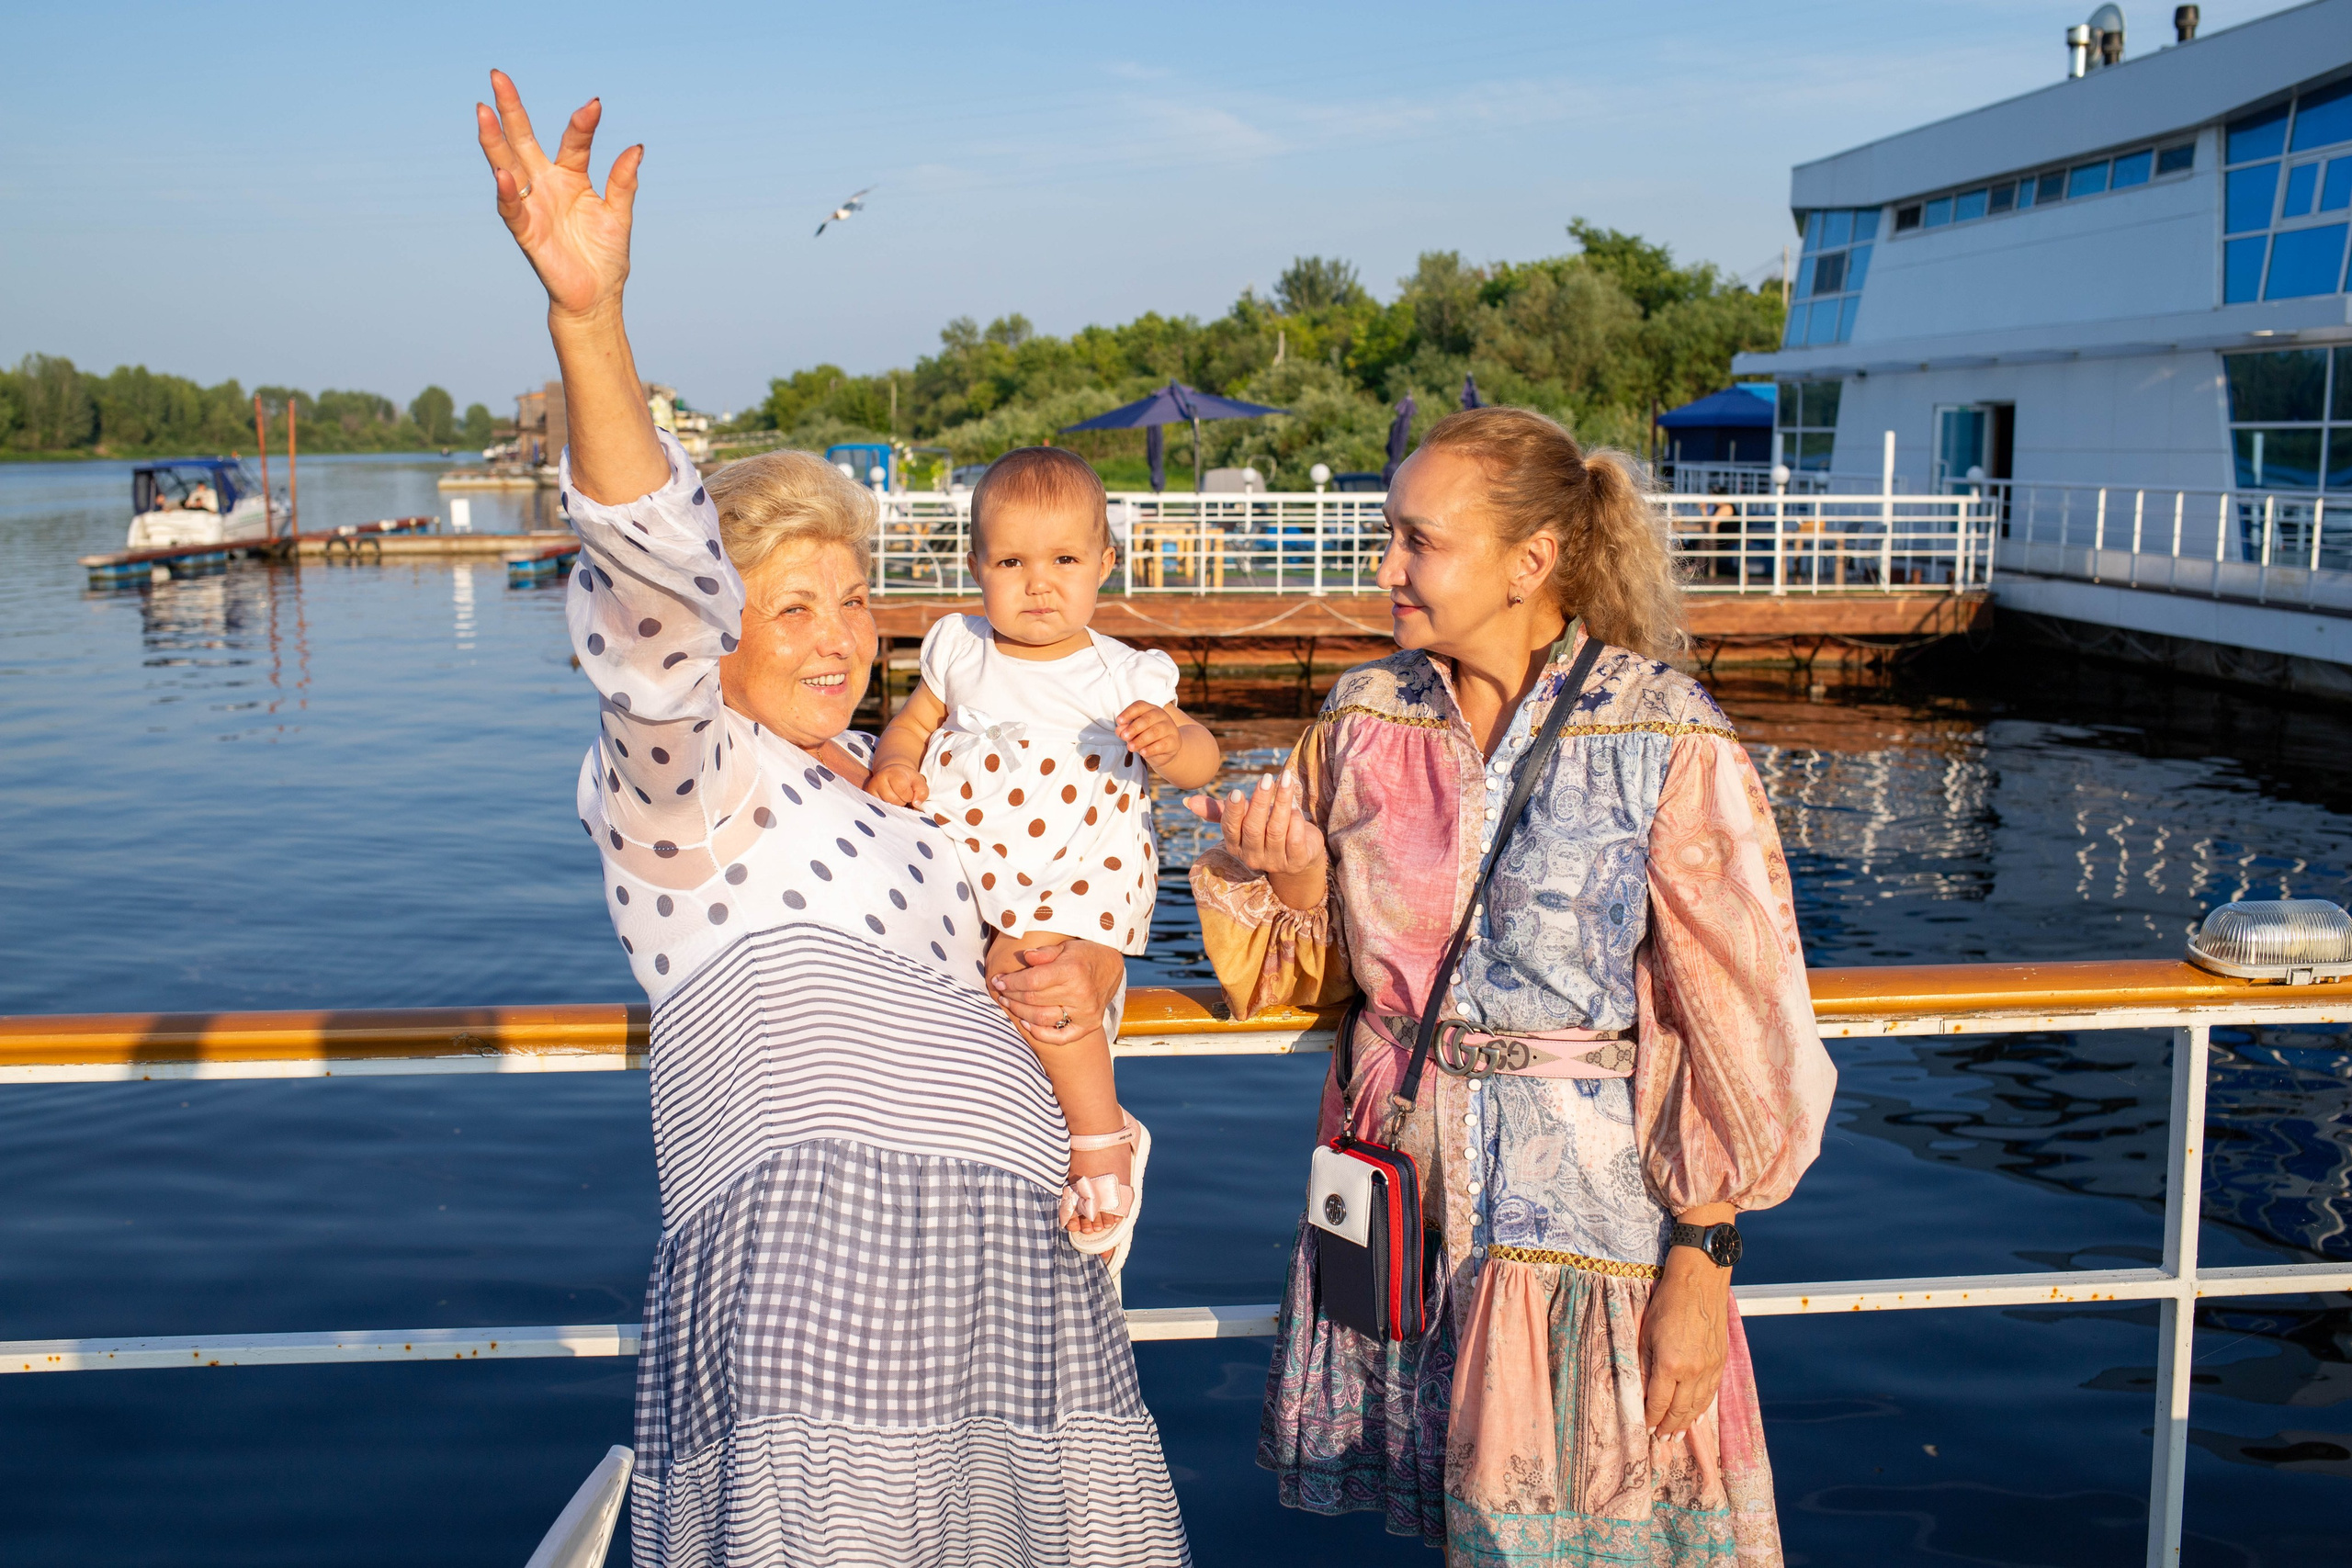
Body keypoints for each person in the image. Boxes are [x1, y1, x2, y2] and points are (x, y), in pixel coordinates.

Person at [474, 72, 1191, 1566]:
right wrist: (590, 328)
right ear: (720, 639)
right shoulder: (694, 779)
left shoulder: (912, 798)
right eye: (787, 605)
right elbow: (649, 592)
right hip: (828, 1258)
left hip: (1013, 1264)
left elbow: (1057, 939)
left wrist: (1097, 985)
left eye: (856, 599)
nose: (839, 633)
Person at [1186, 406, 1836, 1563]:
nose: (1386, 568)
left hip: (1586, 1226)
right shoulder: (1362, 717)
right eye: (1390, 535)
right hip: (1401, 1206)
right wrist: (1287, 872)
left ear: (1530, 561)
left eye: (1417, 541)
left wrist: (1704, 1253)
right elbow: (1325, 982)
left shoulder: (1662, 731)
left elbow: (1735, 1016)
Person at [868, 448, 1222, 1260]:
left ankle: (1103, 1137)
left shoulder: (1120, 671)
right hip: (982, 853)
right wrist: (894, 763)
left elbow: (1202, 756)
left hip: (1078, 860)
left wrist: (1174, 744)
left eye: (1064, 560)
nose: (1038, 583)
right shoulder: (959, 648)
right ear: (975, 567)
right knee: (980, 988)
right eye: (1011, 561)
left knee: (1039, 964)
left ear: (1104, 562)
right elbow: (913, 725)